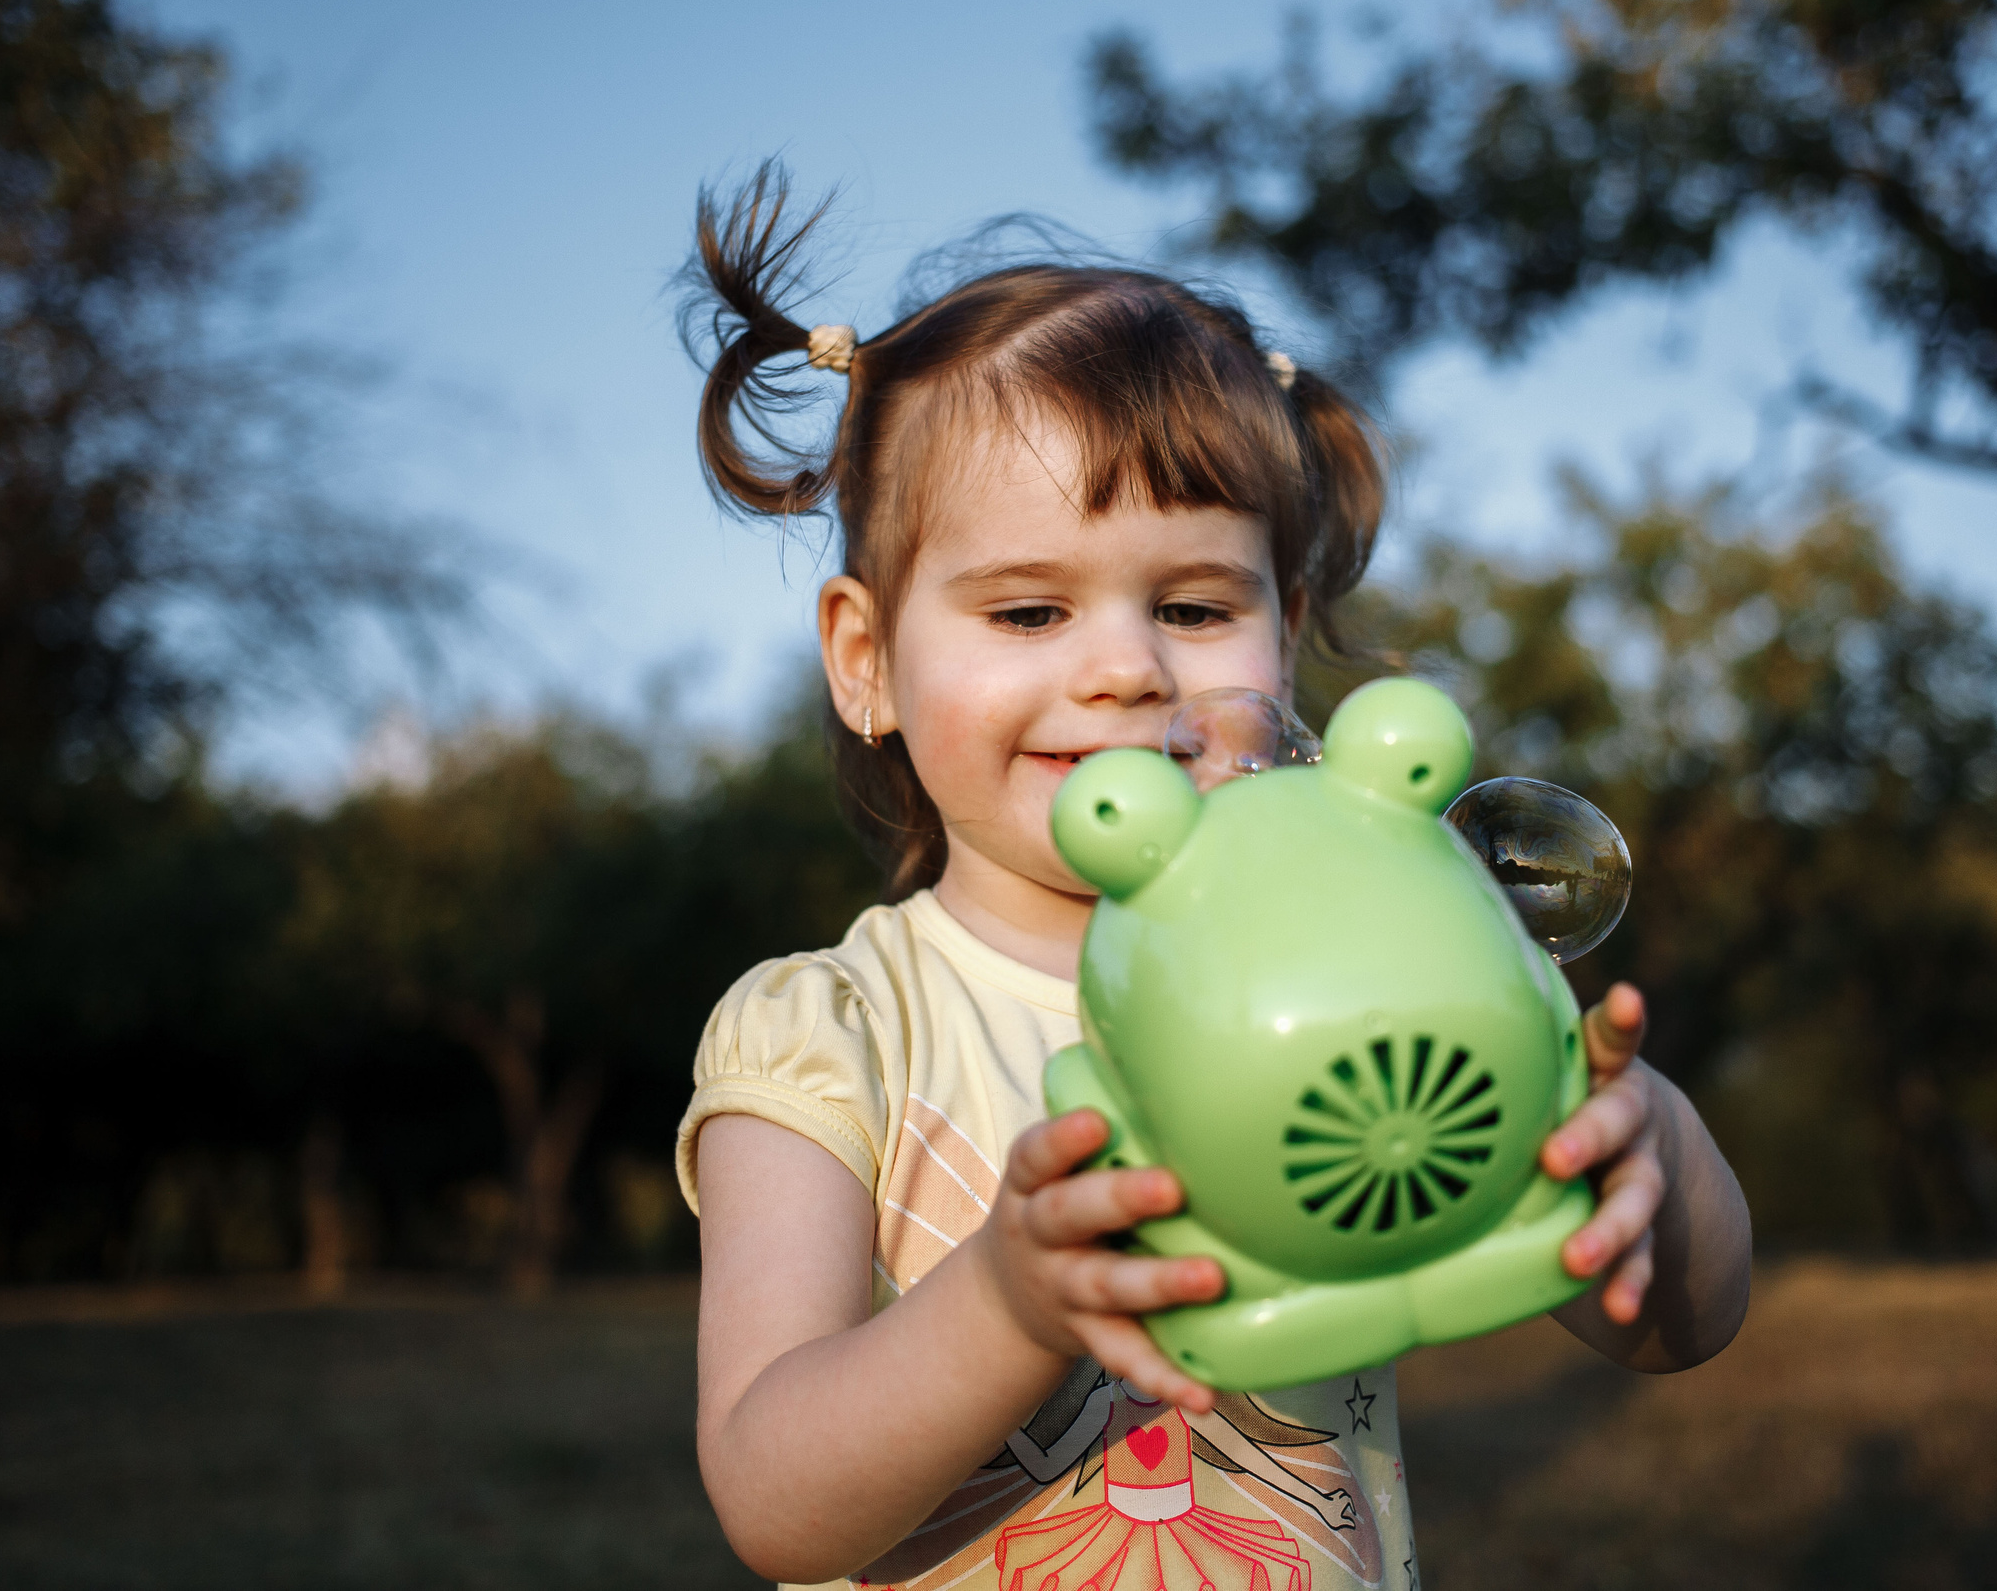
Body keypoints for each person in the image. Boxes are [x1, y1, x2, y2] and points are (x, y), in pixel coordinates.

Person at [675, 165, 1753, 1591]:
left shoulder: (1372, 964)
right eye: (1028, 609)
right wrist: (1009, 1297)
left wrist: (1639, 1146)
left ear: (1287, 632)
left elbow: (1682, 1323)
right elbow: (773, 1496)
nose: (1124, 667)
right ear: (867, 659)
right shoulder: (834, 1032)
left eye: (1192, 606)